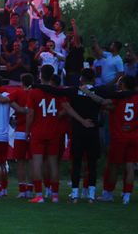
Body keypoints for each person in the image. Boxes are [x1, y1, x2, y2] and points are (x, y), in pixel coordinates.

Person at [26, 65, 94, 203]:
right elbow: (67, 108)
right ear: (52, 76)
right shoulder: (58, 93)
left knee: (37, 162)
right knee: (53, 163)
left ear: (40, 74)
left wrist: (27, 131)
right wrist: (81, 120)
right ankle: (55, 195)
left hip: (38, 130)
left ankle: (39, 195)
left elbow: (30, 114)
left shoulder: (33, 92)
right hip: (54, 131)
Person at [84, 75, 138, 205]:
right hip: (134, 136)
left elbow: (102, 102)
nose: (117, 84)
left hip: (119, 137)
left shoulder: (118, 98)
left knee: (113, 165)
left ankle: (108, 193)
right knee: (130, 166)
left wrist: (88, 93)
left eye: (120, 82)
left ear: (124, 84)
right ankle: (127, 195)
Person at [0, 74, 27, 198]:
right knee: (3, 163)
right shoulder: (8, 96)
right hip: (5, 134)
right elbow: (19, 109)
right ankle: (5, 188)